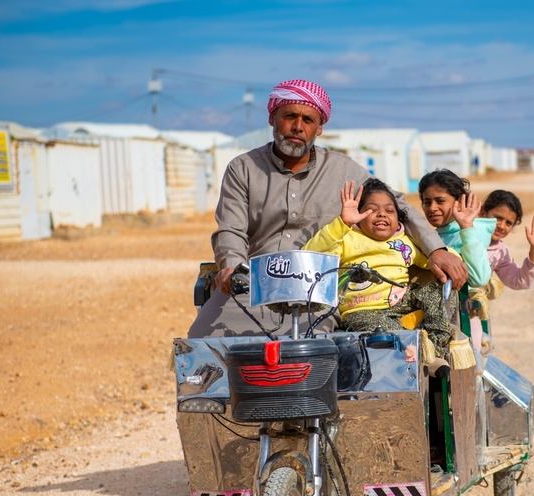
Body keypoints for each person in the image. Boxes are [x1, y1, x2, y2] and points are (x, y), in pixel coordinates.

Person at [187, 79, 467, 338]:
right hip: (255, 285)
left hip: (318, 288)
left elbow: (399, 205)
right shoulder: (243, 168)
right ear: (272, 118)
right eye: (289, 116)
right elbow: (231, 229)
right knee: (203, 344)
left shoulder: (343, 170)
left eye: (308, 120)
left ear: (319, 128)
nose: (298, 126)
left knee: (315, 356)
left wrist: (436, 250)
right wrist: (231, 266)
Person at [302, 179, 456, 357]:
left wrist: (454, 258)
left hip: (401, 302)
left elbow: (432, 261)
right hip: (362, 310)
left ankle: (434, 348)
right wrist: (342, 224)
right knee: (387, 331)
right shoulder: (347, 238)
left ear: (398, 218)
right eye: (372, 210)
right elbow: (310, 256)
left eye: (390, 211)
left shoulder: (403, 242)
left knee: (439, 291)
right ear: (358, 215)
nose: (382, 214)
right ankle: (416, 353)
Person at [419, 169, 494, 290]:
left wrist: (466, 226)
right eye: (427, 202)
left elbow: (479, 279)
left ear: (459, 202)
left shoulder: (473, 231)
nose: (432, 208)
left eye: (440, 201)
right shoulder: (430, 235)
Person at [480, 189, 534, 291]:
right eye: (498, 218)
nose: (502, 226)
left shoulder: (500, 252)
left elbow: (519, 281)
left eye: (508, 223)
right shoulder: (463, 231)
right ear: (483, 213)